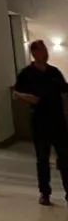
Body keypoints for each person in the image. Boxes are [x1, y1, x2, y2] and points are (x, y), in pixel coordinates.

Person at [13, 39, 68, 206]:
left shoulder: (54, 72)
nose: (43, 53)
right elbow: (16, 93)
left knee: (65, 158)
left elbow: (65, 90)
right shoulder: (26, 73)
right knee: (42, 159)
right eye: (39, 51)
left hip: (58, 120)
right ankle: (45, 193)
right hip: (39, 121)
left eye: (44, 50)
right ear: (33, 53)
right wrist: (26, 97)